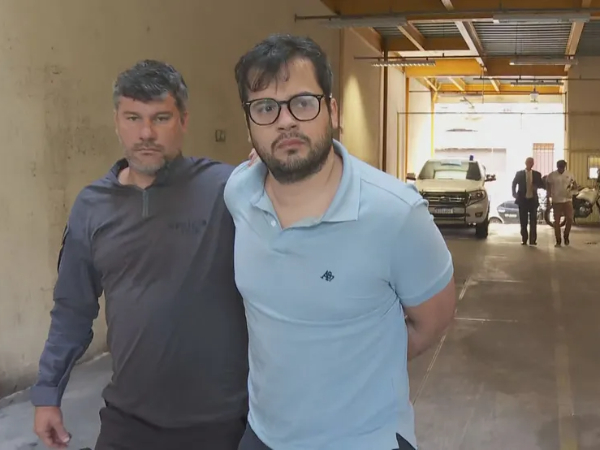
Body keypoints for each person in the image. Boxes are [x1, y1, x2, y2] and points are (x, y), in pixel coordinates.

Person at [224, 34, 457, 450]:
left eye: (302, 102)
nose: (285, 121)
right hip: (262, 435)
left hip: (365, 439)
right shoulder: (239, 193)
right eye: (265, 108)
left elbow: (432, 320)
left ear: (332, 111)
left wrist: (358, 365)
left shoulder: (396, 214)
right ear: (250, 123)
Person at [31, 60, 249, 450]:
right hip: (128, 420)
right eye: (133, 118)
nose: (146, 133)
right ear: (117, 121)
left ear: (183, 120)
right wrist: (48, 392)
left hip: (220, 423)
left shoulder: (228, 190)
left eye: (160, 118)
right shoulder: (91, 206)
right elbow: (72, 309)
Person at [512, 157, 544, 245]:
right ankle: (524, 239)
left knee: (533, 221)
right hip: (523, 200)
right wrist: (514, 193)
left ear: (533, 164)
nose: (530, 164)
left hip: (533, 200)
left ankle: (533, 240)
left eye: (532, 162)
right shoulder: (519, 174)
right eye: (529, 162)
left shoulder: (537, 174)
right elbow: (514, 183)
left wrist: (536, 186)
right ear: (525, 163)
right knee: (523, 221)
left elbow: (542, 185)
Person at [546, 159, 578, 246]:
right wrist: (548, 198)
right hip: (556, 200)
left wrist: (574, 189)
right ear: (557, 167)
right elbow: (548, 187)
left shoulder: (570, 174)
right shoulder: (552, 175)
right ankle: (558, 240)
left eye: (563, 167)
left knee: (570, 219)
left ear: (565, 167)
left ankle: (566, 236)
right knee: (557, 221)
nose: (561, 169)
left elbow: (575, 184)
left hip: (567, 200)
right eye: (560, 167)